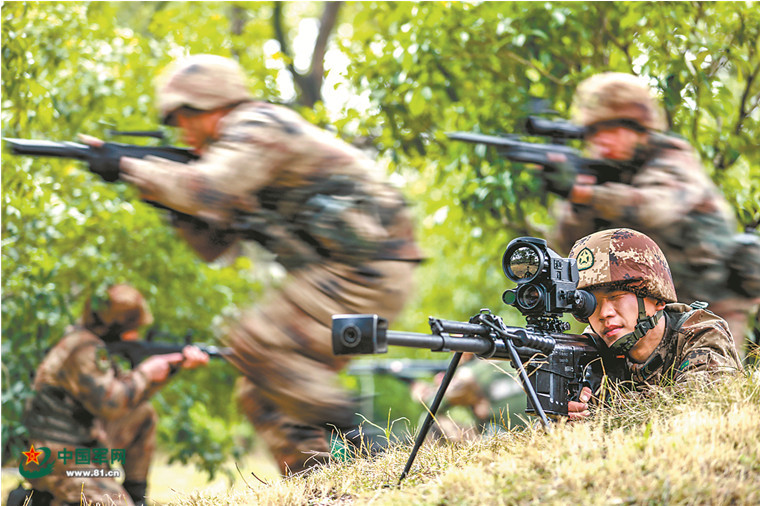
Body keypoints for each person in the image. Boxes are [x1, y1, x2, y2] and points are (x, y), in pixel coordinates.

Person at [97, 54, 422, 475]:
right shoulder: (232, 153)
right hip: (348, 272)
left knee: (254, 342)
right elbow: (215, 248)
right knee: (261, 392)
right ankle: (322, 486)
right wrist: (171, 206)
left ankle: (365, 441)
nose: (182, 130)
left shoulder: (258, 126)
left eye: (185, 117)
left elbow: (209, 189)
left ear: (211, 102)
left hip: (369, 267)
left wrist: (130, 167)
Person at [549, 72, 760, 357]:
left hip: (711, 300)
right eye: (593, 132)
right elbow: (571, 248)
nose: (602, 140)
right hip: (646, 310)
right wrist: (576, 201)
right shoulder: (602, 174)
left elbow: (655, 209)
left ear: (638, 128)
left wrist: (587, 194)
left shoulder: (671, 157)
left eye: (611, 129)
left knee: (711, 376)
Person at [20, 284, 209, 506]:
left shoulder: (88, 343)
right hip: (54, 453)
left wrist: (169, 368)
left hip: (79, 444)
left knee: (142, 413)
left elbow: (128, 397)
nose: (135, 335)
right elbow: (112, 404)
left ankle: (137, 497)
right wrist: (146, 373)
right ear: (117, 324)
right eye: (132, 328)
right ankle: (36, 501)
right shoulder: (82, 348)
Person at [565, 228, 743, 420]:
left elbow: (698, 407)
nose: (604, 313)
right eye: (591, 303)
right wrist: (566, 410)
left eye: (616, 297)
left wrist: (598, 413)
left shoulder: (701, 333)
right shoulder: (587, 351)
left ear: (656, 299)